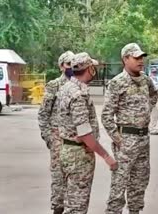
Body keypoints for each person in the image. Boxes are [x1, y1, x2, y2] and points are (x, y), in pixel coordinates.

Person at [101, 43, 158, 214]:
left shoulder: (145, 80)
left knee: (139, 183)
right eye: (136, 57)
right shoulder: (117, 83)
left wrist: (144, 111)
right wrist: (118, 139)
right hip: (126, 140)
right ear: (125, 59)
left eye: (142, 57)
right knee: (119, 184)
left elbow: (153, 96)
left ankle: (135, 211)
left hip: (143, 139)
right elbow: (106, 116)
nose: (141, 61)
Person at [58, 52, 117, 214]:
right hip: (78, 156)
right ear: (89, 68)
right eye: (93, 67)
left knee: (71, 201)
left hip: (68, 152)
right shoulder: (77, 94)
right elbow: (84, 134)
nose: (95, 70)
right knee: (77, 206)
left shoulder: (66, 87)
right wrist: (106, 156)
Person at [38, 50, 74, 214]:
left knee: (74, 178)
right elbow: (43, 113)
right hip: (57, 137)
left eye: (73, 64)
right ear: (61, 66)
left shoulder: (78, 85)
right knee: (59, 177)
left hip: (75, 140)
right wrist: (49, 138)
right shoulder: (54, 85)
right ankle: (57, 209)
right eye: (68, 64)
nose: (71, 67)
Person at [149, 67, 158, 135]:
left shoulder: (156, 79)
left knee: (157, 113)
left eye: (155, 72)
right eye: (153, 72)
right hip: (153, 99)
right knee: (153, 114)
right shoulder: (149, 80)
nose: (154, 73)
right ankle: (151, 128)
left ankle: (152, 127)